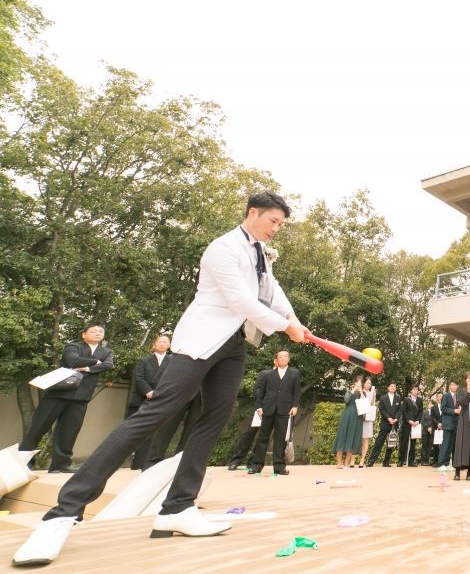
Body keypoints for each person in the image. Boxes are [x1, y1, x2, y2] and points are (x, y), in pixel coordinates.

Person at [13, 191, 309, 567]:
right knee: (156, 413)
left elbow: (271, 292)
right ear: (253, 213)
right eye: (273, 222)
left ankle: (178, 508)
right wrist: (284, 328)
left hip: (234, 343)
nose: (276, 229)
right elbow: (239, 299)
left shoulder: (260, 254)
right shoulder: (223, 247)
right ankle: (61, 515)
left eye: (281, 224)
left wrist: (293, 319)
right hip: (201, 340)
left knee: (215, 419)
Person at [20, 323, 115, 474]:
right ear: (84, 335)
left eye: (101, 331)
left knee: (69, 431)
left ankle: (61, 464)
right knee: (39, 427)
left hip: (81, 396)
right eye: (93, 331)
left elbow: (109, 365)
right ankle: (22, 462)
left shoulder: (106, 351)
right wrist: (95, 362)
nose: (98, 333)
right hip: (58, 393)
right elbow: (72, 360)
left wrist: (87, 368)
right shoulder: (73, 346)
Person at [249, 350, 300, 475]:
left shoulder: (294, 373)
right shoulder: (269, 374)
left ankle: (279, 467)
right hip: (268, 409)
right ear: (276, 360)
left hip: (285, 409)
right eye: (280, 357)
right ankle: (256, 466)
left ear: (289, 359)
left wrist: (295, 406)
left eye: (285, 356)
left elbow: (296, 391)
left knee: (280, 439)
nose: (283, 359)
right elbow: (261, 393)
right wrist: (259, 408)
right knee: (262, 438)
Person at [125, 336, 172, 470]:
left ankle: (144, 463)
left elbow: (172, 380)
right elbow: (138, 379)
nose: (162, 344)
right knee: (132, 430)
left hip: (161, 399)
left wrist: (160, 394)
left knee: (151, 432)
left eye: (165, 342)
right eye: (159, 342)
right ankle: (127, 461)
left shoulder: (172, 361)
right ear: (154, 345)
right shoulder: (144, 361)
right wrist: (148, 392)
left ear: (169, 345)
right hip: (141, 398)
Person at [227, 363, 275, 470]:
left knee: (263, 436)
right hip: (260, 409)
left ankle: (253, 462)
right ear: (275, 361)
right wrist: (267, 400)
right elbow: (256, 389)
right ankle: (236, 461)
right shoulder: (265, 374)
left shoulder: (284, 378)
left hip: (273, 411)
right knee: (250, 433)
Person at [333, 377, 365, 469]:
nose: (359, 385)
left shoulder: (362, 394)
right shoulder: (349, 391)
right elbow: (346, 400)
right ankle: (339, 463)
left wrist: (361, 392)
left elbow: (364, 403)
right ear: (354, 383)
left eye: (360, 383)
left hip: (357, 416)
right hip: (347, 415)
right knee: (342, 437)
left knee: (352, 437)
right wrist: (354, 390)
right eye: (357, 383)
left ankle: (346, 463)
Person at [367, 382, 401, 467]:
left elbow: (400, 410)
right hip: (385, 423)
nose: (393, 387)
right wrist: (388, 418)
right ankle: (371, 461)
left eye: (394, 386)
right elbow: (381, 410)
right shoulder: (383, 398)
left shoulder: (398, 398)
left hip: (394, 423)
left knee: (391, 443)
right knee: (379, 442)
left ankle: (386, 461)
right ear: (388, 388)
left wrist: (396, 418)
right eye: (391, 386)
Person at [435, 380, 459, 470]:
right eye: (452, 385)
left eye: (455, 385)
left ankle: (447, 463)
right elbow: (443, 408)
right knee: (445, 444)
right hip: (447, 423)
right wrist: (453, 411)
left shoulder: (457, 397)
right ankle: (440, 463)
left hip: (455, 424)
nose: (454, 387)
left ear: (457, 387)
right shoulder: (446, 396)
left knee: (450, 445)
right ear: (449, 386)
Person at [398, 385, 423, 467]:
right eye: (414, 389)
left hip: (415, 424)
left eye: (417, 389)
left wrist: (417, 420)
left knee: (413, 443)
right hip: (407, 423)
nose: (415, 391)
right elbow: (404, 411)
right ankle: (401, 460)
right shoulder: (406, 399)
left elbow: (421, 412)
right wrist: (409, 420)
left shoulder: (420, 400)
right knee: (404, 442)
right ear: (411, 390)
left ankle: (411, 461)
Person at [359, 377, 375, 468]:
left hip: (368, 417)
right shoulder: (360, 392)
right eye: (367, 383)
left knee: (365, 439)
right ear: (363, 383)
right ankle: (352, 459)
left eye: (370, 383)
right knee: (357, 438)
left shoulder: (371, 393)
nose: (368, 385)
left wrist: (373, 397)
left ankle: (362, 460)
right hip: (360, 416)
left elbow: (372, 405)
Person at [420, 395, 438, 466]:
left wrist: (431, 428)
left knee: (429, 447)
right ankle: (423, 460)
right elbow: (422, 421)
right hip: (425, 431)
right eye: (430, 404)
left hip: (432, 431)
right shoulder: (424, 412)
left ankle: (427, 461)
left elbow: (434, 421)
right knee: (424, 446)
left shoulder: (435, 412)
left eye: (432, 404)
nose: (431, 405)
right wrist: (427, 428)